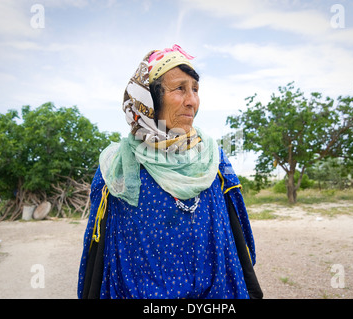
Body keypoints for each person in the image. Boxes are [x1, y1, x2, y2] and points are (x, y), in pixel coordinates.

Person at [77, 45, 262, 299]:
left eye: (195, 90)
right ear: (150, 99)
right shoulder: (119, 165)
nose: (192, 101)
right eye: (180, 89)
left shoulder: (212, 158)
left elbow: (239, 240)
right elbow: (97, 254)